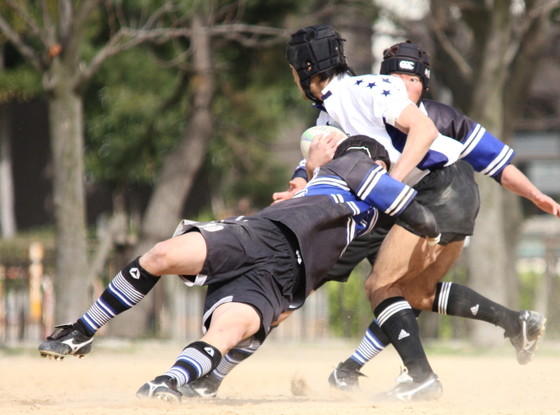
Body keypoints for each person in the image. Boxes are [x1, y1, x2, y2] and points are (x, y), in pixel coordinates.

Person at [179, 31, 560, 401]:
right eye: (395, 75)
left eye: (410, 77)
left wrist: (533, 194)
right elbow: (313, 159)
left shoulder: (405, 106)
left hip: (435, 192)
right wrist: (298, 187)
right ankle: (506, 325)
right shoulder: (335, 111)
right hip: (396, 202)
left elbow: (487, 159)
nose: (401, 83)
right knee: (411, 292)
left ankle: (417, 378)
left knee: (379, 286)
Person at [37, 136, 440, 401]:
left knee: (225, 334)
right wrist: (435, 234)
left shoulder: (363, 204)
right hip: (262, 234)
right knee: (162, 255)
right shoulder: (355, 165)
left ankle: (175, 382)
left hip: (282, 275)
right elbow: (418, 215)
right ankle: (82, 330)